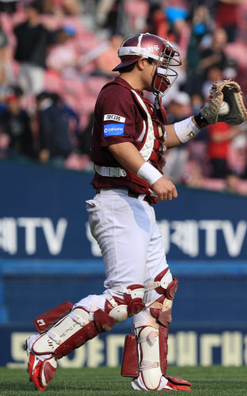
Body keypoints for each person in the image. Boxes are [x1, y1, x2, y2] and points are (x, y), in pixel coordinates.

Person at [24, 32, 229, 391]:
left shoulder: (140, 100)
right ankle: (45, 345)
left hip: (136, 204)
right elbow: (118, 144)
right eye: (160, 61)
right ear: (143, 61)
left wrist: (201, 120)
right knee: (127, 295)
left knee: (159, 289)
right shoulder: (117, 93)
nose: (165, 70)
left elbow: (161, 137)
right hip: (118, 201)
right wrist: (155, 177)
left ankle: (151, 376)